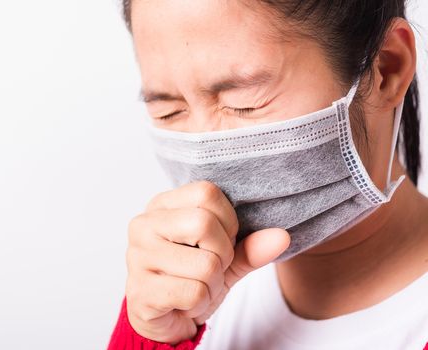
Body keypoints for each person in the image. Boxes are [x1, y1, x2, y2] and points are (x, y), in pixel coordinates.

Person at [107, 1, 428, 349]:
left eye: (244, 102)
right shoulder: (178, 300)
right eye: (168, 111)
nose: (202, 149)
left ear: (386, 70)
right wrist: (155, 337)